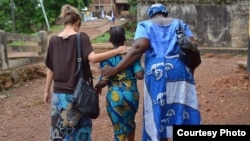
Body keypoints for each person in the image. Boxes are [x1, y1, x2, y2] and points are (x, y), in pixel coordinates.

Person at [101, 3, 201, 141]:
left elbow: (139, 47)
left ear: (151, 14)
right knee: (181, 108)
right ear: (165, 13)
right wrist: (190, 71)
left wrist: (116, 69)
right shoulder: (179, 24)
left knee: (157, 110)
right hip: (180, 70)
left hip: (156, 73)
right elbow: (192, 48)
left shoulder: (145, 25)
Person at [43, 4, 128, 141]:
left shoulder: (53, 40)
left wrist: (47, 90)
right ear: (77, 22)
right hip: (78, 94)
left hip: (59, 95)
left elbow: (50, 69)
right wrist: (117, 51)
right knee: (80, 134)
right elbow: (93, 58)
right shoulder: (81, 37)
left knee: (59, 133)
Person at [95, 25, 144, 141]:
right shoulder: (132, 56)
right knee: (130, 123)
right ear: (125, 39)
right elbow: (140, 75)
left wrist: (97, 86)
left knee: (118, 129)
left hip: (114, 98)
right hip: (131, 96)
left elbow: (104, 81)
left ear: (110, 40)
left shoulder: (106, 59)